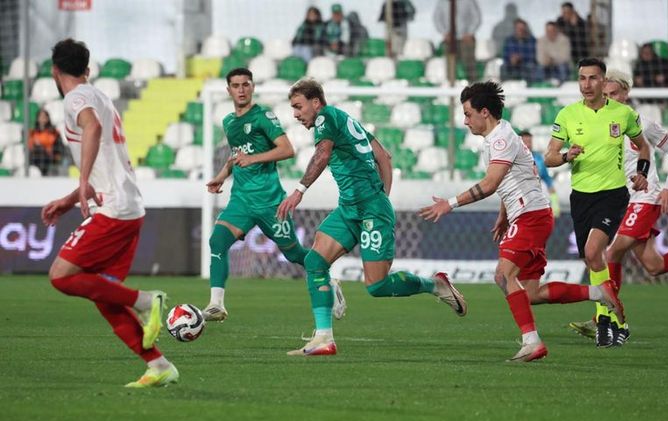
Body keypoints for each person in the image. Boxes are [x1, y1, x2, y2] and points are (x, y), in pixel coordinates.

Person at [419, 81, 621, 362]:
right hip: (530, 214)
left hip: (531, 216)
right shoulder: (499, 137)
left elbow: (490, 184)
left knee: (503, 276)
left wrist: (449, 203)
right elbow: (510, 181)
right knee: (532, 292)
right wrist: (504, 215)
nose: (465, 121)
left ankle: (532, 342)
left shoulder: (501, 139)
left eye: (468, 114)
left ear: (485, 112)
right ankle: (598, 291)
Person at [278, 78, 466, 356]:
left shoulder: (325, 118)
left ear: (315, 103)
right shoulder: (345, 120)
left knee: (377, 286)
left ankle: (435, 285)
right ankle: (324, 338)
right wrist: (382, 196)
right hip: (350, 209)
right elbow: (384, 157)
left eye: (298, 106)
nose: (295, 114)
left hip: (371, 211)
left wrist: (299, 191)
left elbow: (323, 154)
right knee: (315, 262)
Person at [42, 38, 175, 388]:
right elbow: (106, 160)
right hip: (128, 205)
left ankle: (146, 300)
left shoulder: (76, 98)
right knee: (104, 294)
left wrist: (82, 180)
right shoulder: (101, 97)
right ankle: (159, 365)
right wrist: (71, 199)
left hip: (114, 208)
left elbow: (93, 128)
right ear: (87, 69)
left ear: (55, 71)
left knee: (61, 276)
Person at [202, 68, 346, 322]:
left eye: (245, 84)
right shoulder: (229, 122)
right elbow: (237, 155)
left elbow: (287, 149)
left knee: (294, 254)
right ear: (228, 90)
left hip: (270, 202)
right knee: (217, 242)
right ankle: (216, 305)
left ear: (252, 87)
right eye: (235, 85)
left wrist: (253, 158)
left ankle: (329, 281)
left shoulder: (263, 117)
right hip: (241, 201)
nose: (241, 90)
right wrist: (222, 175)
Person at [569, 70, 668, 344]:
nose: (610, 98)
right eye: (606, 94)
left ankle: (614, 319)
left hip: (645, 197)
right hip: (619, 200)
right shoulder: (600, 125)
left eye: (614, 93)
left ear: (626, 94)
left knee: (612, 251)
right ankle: (605, 316)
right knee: (653, 264)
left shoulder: (642, 124)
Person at [544, 57, 651, 348]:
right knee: (591, 260)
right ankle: (620, 322)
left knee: (594, 252)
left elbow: (643, 147)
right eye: (582, 78)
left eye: (592, 78)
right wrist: (566, 156)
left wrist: (642, 173)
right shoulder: (568, 114)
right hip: (581, 196)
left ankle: (603, 321)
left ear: (603, 81)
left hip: (613, 194)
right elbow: (549, 157)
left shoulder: (623, 114)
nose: (587, 84)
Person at [433, 0, 482, 82]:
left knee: (469, 65)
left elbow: (476, 17)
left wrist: (469, 33)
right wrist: (444, 32)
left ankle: (472, 85)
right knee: (451, 65)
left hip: (466, 39)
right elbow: (437, 18)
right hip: (449, 39)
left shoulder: (469, 1)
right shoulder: (442, 2)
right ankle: (451, 84)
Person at [520, 130, 560, 217]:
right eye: (525, 142)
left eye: (530, 142)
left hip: (536, 198)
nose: (528, 145)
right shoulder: (514, 160)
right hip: (519, 199)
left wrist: (554, 201)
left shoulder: (538, 158)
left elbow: (547, 178)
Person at [28, 108, 64, 176]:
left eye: (44, 117)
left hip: (49, 158)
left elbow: (59, 148)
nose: (42, 119)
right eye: (41, 117)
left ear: (48, 118)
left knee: (40, 150)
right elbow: (29, 147)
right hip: (35, 158)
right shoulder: (32, 132)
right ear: (37, 118)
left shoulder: (54, 132)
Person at [501, 18, 537, 82]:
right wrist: (511, 60)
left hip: (526, 65)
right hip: (511, 65)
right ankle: (505, 84)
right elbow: (505, 56)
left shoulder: (532, 40)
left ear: (525, 29)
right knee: (504, 66)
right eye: (518, 28)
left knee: (530, 66)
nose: (520, 30)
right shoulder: (509, 40)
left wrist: (520, 58)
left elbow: (533, 57)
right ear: (515, 28)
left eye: (522, 28)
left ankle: (529, 85)